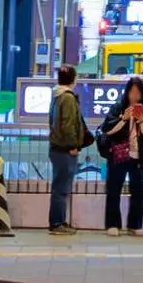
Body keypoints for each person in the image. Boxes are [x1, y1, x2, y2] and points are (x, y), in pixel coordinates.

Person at [99, 77, 143, 236]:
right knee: (114, 190)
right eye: (131, 92)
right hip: (118, 155)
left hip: (138, 158)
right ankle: (113, 224)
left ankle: (135, 224)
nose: (134, 95)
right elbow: (107, 129)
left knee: (138, 191)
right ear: (126, 93)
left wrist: (142, 121)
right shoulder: (118, 108)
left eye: (137, 92)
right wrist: (123, 119)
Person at [47, 65, 86, 235]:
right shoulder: (68, 98)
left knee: (59, 187)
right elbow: (68, 124)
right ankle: (57, 223)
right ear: (73, 79)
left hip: (56, 147)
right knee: (61, 188)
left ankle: (58, 221)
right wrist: (73, 146)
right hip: (65, 150)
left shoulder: (56, 95)